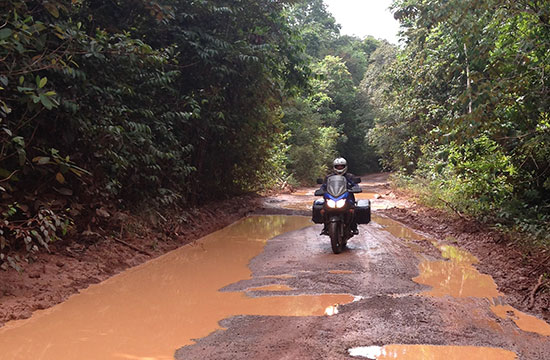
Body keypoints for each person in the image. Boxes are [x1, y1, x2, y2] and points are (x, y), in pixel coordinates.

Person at [320, 157, 359, 235]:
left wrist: (356, 188)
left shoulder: (350, 176)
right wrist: (320, 190)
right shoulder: (329, 177)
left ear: (345, 167)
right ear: (334, 167)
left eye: (341, 166)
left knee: (353, 210)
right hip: (332, 197)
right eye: (338, 166)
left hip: (347, 198)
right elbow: (324, 186)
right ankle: (325, 227)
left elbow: (355, 185)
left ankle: (354, 227)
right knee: (323, 210)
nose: (340, 168)